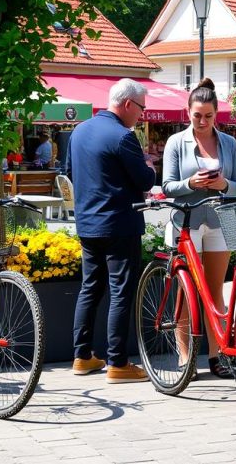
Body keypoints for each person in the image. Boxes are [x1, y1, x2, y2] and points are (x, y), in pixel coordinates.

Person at [69, 78, 156, 383]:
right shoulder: (123, 136)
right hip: (119, 223)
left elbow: (70, 172)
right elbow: (145, 181)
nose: (142, 115)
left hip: (88, 224)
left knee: (90, 288)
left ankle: (82, 357)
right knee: (120, 291)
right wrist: (149, 165)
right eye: (141, 108)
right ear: (128, 104)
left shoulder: (78, 132)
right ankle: (117, 363)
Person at [163, 78, 236, 378]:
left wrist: (223, 184)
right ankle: (185, 357)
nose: (202, 121)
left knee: (214, 292)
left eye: (208, 116)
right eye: (197, 115)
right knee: (186, 293)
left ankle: (216, 354)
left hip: (218, 221)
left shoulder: (229, 143)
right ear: (188, 112)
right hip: (186, 222)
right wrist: (191, 184)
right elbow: (167, 186)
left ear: (216, 114)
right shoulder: (176, 142)